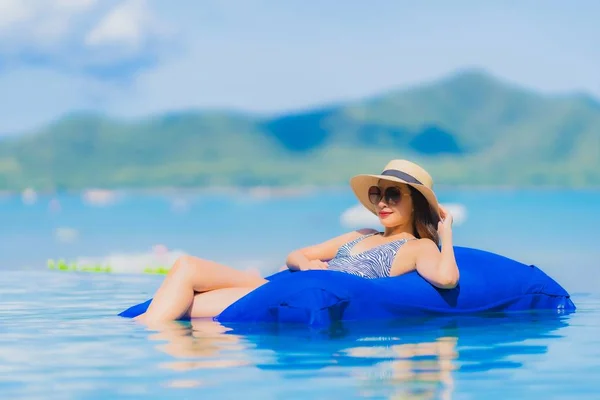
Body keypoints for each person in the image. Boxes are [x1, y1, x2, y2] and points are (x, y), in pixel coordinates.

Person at [137, 159, 459, 324]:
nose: (382, 203)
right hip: (283, 285)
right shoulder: (361, 234)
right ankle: (146, 342)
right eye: (378, 194)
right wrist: (306, 265)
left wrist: (445, 234)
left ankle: (142, 349)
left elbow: (446, 278)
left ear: (416, 202)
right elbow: (298, 254)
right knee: (182, 285)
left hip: (291, 294)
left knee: (186, 272)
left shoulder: (416, 247)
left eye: (392, 194)